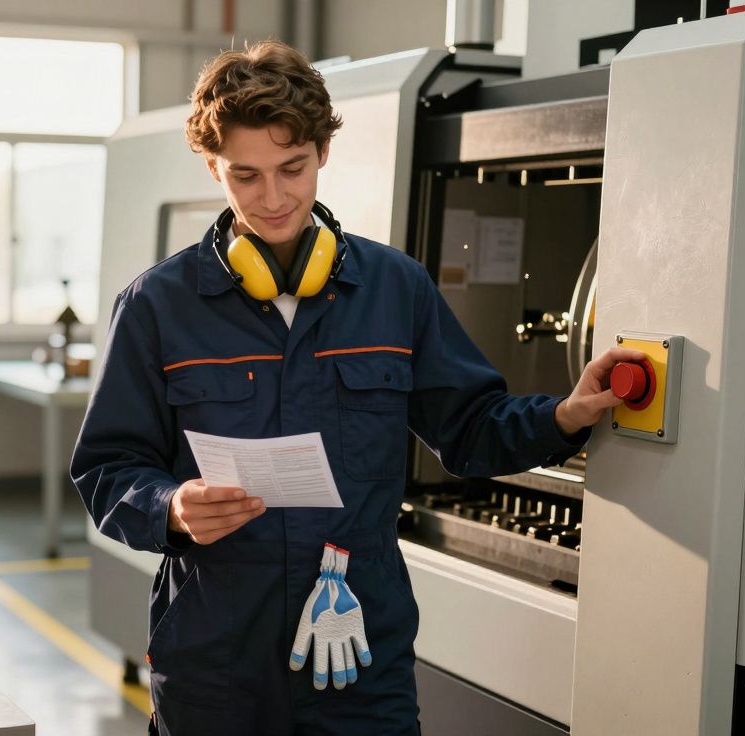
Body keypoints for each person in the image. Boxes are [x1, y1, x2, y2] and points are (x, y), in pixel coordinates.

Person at [71, 40, 639, 736]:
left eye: (292, 168)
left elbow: (471, 426)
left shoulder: (394, 290)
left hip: (356, 653)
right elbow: (106, 469)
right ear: (211, 166)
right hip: (215, 661)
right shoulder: (158, 306)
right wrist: (171, 507)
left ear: (322, 154)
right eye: (244, 175)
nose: (272, 197)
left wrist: (566, 413)